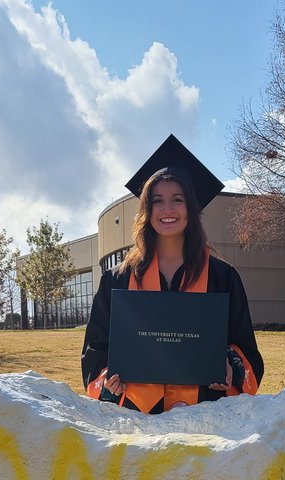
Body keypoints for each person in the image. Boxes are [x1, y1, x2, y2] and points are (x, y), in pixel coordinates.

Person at [81, 134, 263, 413]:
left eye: (177, 199)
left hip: (205, 415)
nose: (167, 209)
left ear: (191, 207)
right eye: (157, 201)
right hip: (136, 414)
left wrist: (230, 366)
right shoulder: (116, 280)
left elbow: (246, 350)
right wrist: (108, 381)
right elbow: (96, 350)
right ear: (146, 210)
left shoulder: (222, 278)